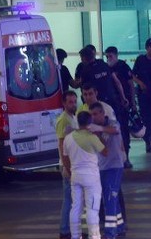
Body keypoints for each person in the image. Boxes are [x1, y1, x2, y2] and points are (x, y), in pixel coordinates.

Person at [63, 111, 108, 239]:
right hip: (91, 178)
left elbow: (65, 157)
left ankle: (75, 236)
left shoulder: (68, 138)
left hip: (75, 176)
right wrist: (98, 135)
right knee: (92, 209)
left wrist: (70, 171)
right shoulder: (92, 137)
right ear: (89, 123)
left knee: (75, 207)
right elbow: (105, 152)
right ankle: (94, 236)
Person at [90, 102, 127, 239]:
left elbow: (114, 130)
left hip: (115, 166)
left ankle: (110, 233)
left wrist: (98, 128)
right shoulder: (96, 130)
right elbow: (102, 148)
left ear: (102, 113)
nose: (93, 117)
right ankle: (120, 227)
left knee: (110, 199)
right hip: (102, 167)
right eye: (91, 115)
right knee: (112, 199)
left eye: (95, 114)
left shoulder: (112, 123)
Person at [105, 46, 133, 168]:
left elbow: (130, 84)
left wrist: (133, 102)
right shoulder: (105, 69)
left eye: (110, 56)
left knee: (124, 131)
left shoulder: (123, 66)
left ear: (116, 56)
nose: (108, 59)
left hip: (124, 104)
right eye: (107, 56)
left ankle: (126, 157)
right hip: (112, 105)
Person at [56, 91, 79, 239]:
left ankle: (68, 230)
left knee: (72, 201)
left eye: (74, 101)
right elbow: (62, 144)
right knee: (69, 200)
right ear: (64, 103)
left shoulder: (73, 117)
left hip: (73, 164)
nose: (73, 104)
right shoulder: (63, 120)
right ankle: (64, 231)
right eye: (70, 102)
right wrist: (67, 167)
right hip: (67, 165)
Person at [132, 38, 151, 153]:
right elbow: (133, 75)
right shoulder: (140, 60)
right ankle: (147, 141)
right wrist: (140, 83)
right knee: (146, 119)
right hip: (144, 94)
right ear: (147, 48)